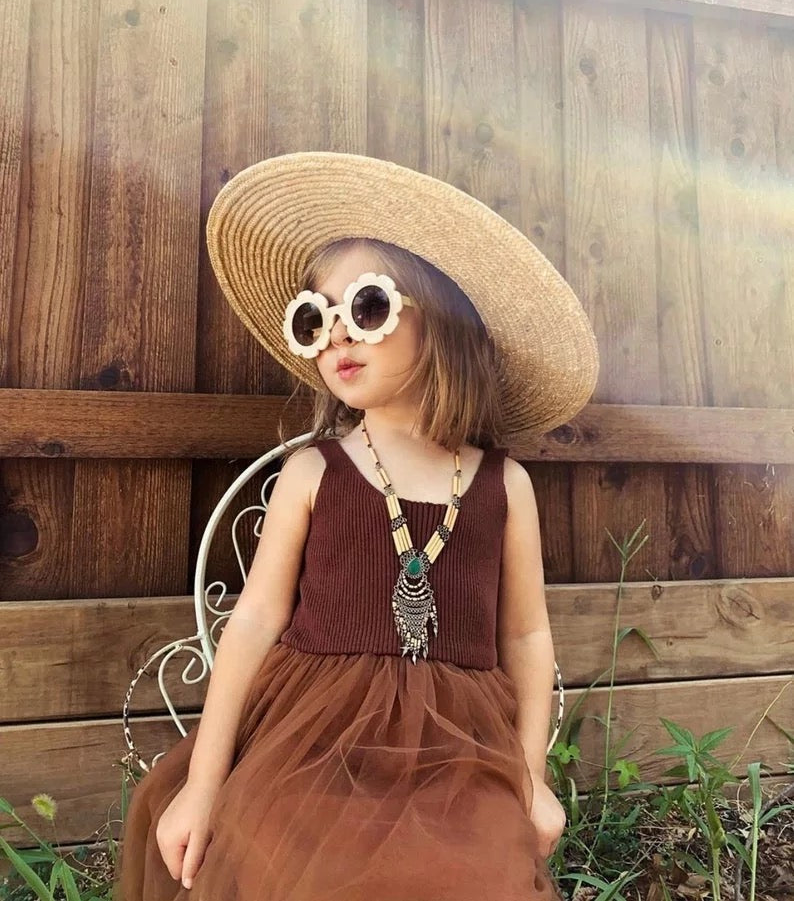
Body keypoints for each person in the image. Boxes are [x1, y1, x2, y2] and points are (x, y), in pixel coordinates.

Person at [114, 152, 599, 901]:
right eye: (316, 317)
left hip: (458, 754)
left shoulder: (506, 485)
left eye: (366, 308)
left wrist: (532, 777)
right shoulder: (315, 474)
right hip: (310, 744)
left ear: (442, 320)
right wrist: (205, 784)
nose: (337, 335)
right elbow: (252, 624)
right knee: (282, 859)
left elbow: (528, 638)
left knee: (477, 877)